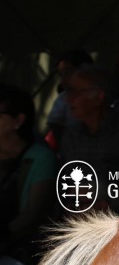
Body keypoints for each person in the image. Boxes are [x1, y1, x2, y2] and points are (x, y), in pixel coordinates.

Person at [58, 64, 119, 212]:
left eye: (77, 92)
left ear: (99, 97)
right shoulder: (71, 136)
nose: (69, 99)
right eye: (69, 91)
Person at [0, 85, 57, 265]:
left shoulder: (41, 158)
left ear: (18, 120)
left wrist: (3, 237)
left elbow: (33, 214)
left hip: (19, 251)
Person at [45, 49, 94, 147]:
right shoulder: (63, 98)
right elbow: (55, 125)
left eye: (69, 73)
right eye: (61, 75)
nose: (63, 80)